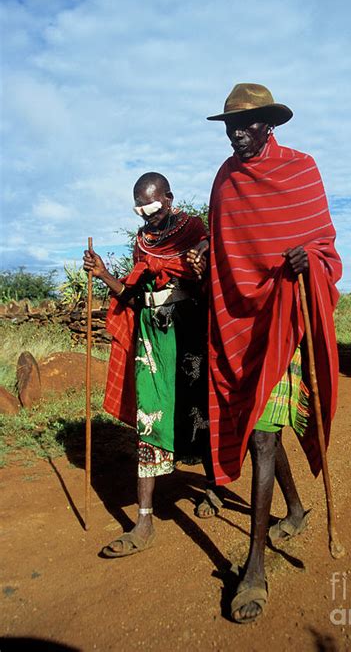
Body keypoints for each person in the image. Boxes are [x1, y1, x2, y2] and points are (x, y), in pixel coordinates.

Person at [192, 84, 342, 622]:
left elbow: (326, 246)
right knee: (260, 421)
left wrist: (311, 262)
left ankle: (253, 567)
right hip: (240, 319)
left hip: (284, 316)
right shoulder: (224, 179)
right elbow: (225, 244)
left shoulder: (301, 170)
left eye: (246, 124)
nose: (236, 133)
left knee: (263, 432)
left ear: (268, 125)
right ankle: (296, 508)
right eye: (230, 125)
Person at [83, 171, 213, 557]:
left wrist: (202, 265)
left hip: (190, 336)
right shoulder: (143, 241)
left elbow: (209, 281)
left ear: (169, 199)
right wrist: (104, 273)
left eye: (152, 207)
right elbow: (134, 292)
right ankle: (143, 521)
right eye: (138, 208)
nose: (145, 215)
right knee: (149, 418)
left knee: (197, 412)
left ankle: (213, 486)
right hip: (153, 339)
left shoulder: (194, 229)